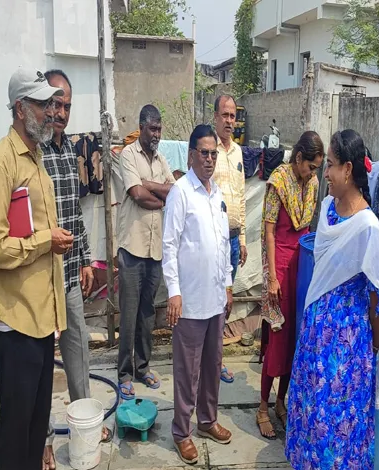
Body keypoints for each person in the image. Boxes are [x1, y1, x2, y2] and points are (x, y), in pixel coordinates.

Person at [0, 68, 72, 469]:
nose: (52, 112)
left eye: (53, 104)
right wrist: (46, 241)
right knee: (16, 427)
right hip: (16, 322)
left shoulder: (37, 158)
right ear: (19, 109)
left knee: (36, 422)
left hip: (41, 318)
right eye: (43, 104)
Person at [285, 129, 379, 469]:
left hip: (345, 350)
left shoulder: (367, 228)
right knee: (310, 416)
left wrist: (373, 346)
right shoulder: (328, 209)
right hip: (314, 339)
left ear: (348, 169)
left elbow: (378, 298)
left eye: (330, 165)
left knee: (338, 429)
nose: (325, 173)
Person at [39, 69, 110, 470]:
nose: (61, 112)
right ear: (41, 103)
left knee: (78, 349)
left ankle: (85, 423)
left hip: (68, 275)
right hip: (37, 279)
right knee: (39, 364)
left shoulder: (68, 149)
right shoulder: (32, 150)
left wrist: (85, 259)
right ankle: (43, 439)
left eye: (66, 105)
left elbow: (75, 213)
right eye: (55, 104)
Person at [163, 124, 234, 465]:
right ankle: (181, 431)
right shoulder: (181, 192)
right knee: (186, 372)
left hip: (215, 299)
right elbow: (169, 245)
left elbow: (222, 244)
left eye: (213, 153)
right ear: (191, 155)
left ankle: (207, 421)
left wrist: (228, 284)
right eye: (204, 153)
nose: (209, 159)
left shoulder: (216, 193)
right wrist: (174, 292)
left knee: (211, 366)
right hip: (189, 301)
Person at [256, 131, 324, 439]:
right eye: (310, 166)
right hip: (280, 266)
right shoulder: (278, 182)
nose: (312, 173)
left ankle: (281, 401)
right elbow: (269, 233)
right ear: (298, 158)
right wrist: (271, 277)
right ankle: (262, 407)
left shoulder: (312, 183)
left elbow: (308, 229)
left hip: (302, 266)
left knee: (296, 338)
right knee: (278, 338)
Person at [115, 105, 175, 399]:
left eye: (159, 129)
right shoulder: (128, 155)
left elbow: (173, 191)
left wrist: (150, 186)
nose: (156, 134)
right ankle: (124, 374)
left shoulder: (161, 160)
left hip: (155, 249)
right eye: (152, 129)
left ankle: (142, 367)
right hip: (132, 247)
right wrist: (158, 194)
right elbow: (137, 195)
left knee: (147, 313)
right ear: (141, 128)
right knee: (128, 315)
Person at [212, 94, 247, 384]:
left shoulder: (237, 152)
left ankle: (217, 359)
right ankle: (206, 359)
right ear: (215, 117)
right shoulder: (207, 150)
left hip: (234, 240)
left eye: (233, 116)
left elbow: (241, 196)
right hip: (214, 241)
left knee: (226, 302)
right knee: (210, 300)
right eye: (224, 115)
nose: (229, 121)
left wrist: (244, 238)